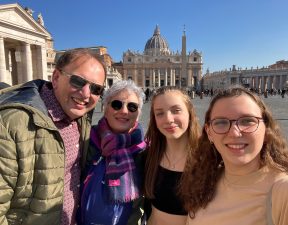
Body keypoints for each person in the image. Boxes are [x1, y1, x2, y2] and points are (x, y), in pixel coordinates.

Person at [0, 48, 106, 225]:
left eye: (96, 89)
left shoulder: (81, 120)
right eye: (78, 81)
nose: (86, 94)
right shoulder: (11, 125)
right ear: (56, 78)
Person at [179, 87, 288, 225]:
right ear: (209, 132)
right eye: (221, 122)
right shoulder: (204, 181)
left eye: (247, 121)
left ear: (266, 130)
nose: (235, 133)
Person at [80, 80, 146, 225]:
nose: (124, 111)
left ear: (138, 113)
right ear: (105, 108)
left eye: (132, 107)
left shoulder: (146, 152)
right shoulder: (84, 142)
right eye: (117, 104)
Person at [144, 86, 201, 225]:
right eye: (160, 113)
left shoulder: (208, 159)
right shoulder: (148, 156)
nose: (168, 119)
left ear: (190, 113)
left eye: (176, 111)